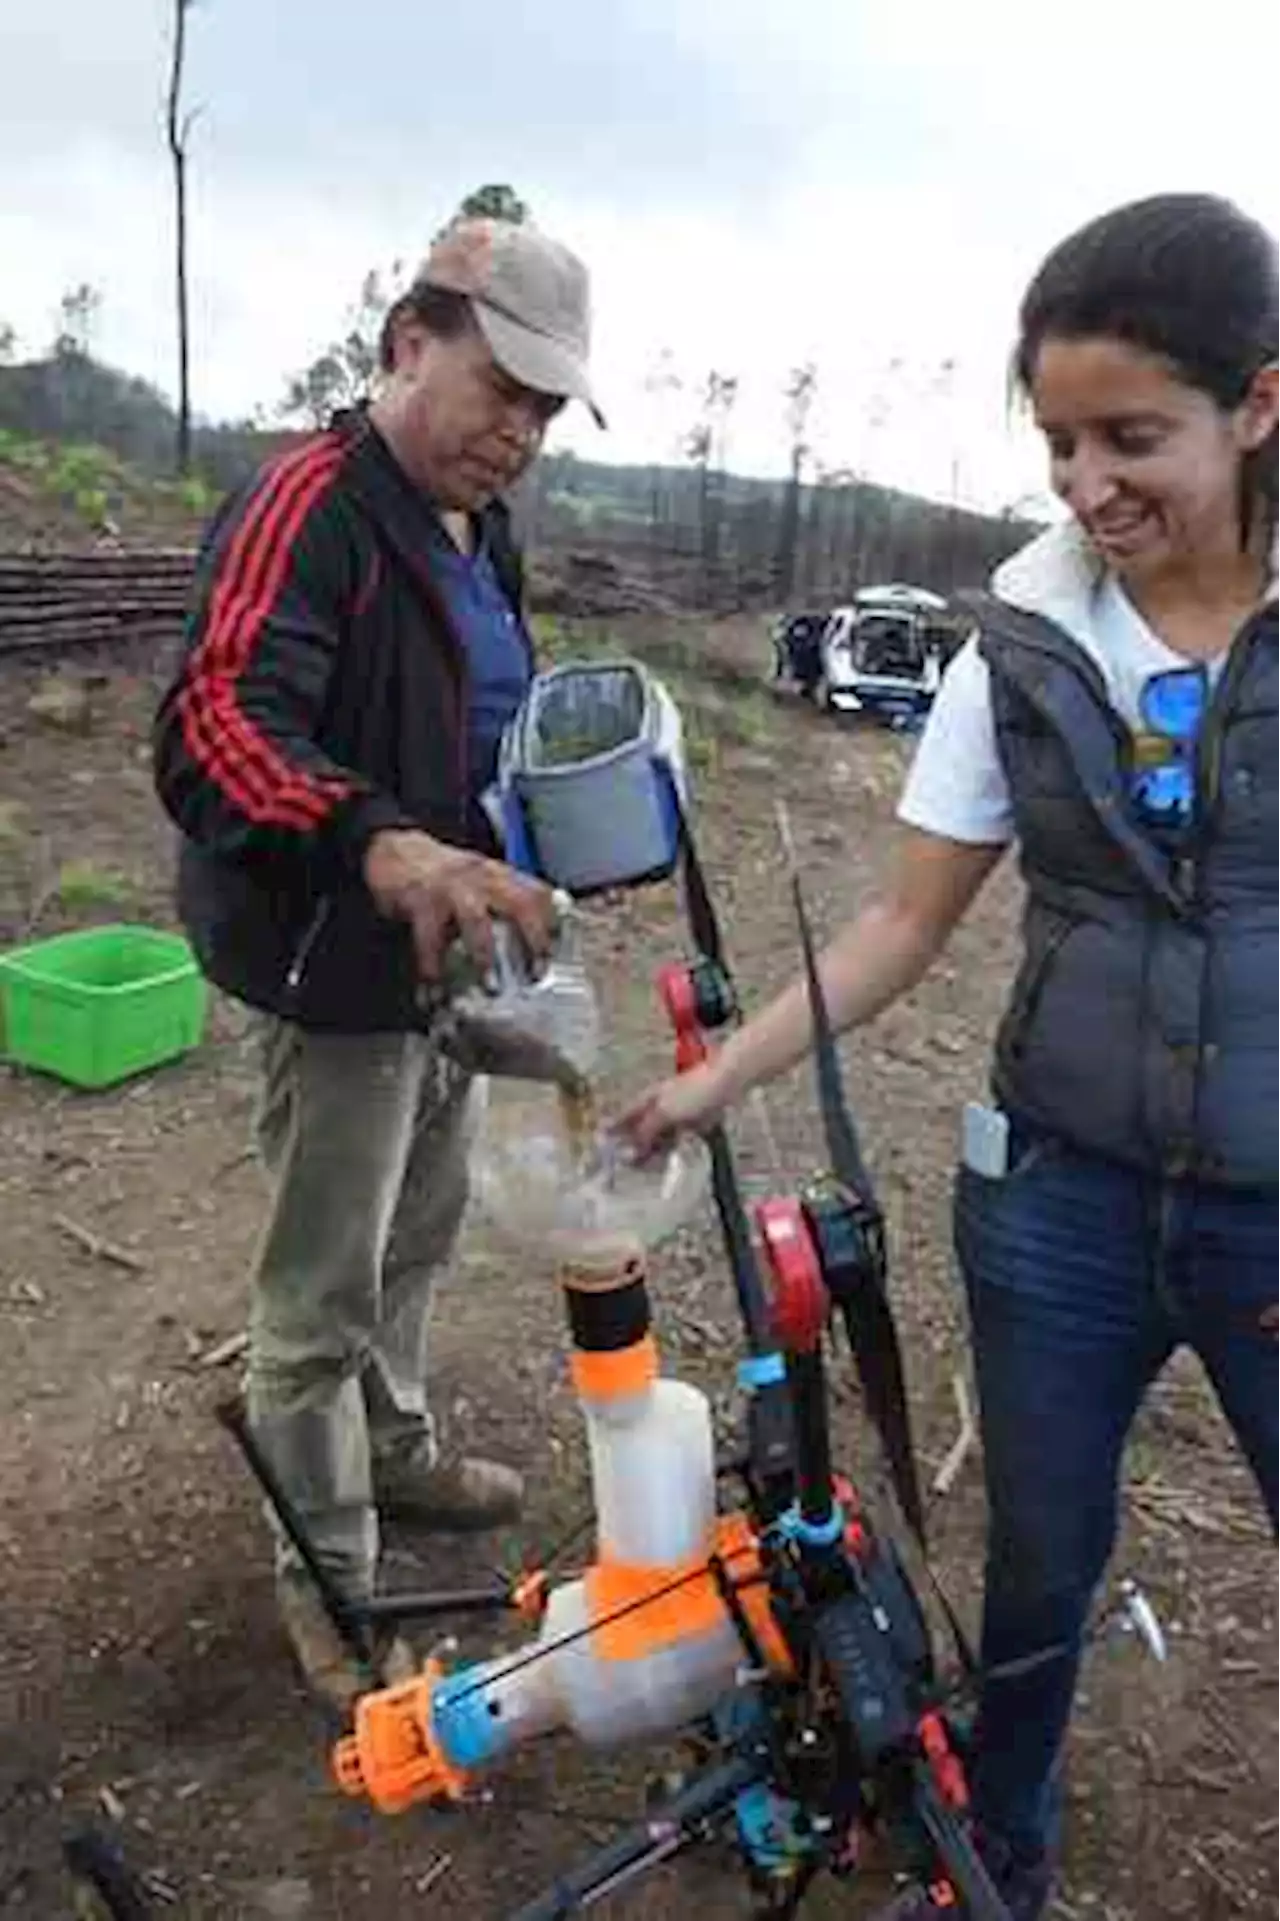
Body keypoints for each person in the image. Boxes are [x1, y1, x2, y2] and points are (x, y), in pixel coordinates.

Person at [621, 192, 1280, 1919]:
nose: (1085, 485)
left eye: (1133, 437)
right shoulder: (1023, 648)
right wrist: (711, 1082)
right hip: (1059, 1206)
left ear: (1260, 405)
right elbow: (901, 928)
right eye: (1060, 443)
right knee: (1042, 1568)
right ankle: (1002, 1854)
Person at [153, 216, 601, 1709]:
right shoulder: (312, 504)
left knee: (422, 1227)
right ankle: (329, 1577)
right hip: (331, 959)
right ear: (410, 342)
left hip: (443, 952)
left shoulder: (484, 525)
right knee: (320, 1293)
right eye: (502, 393)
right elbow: (214, 723)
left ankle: (394, 1457)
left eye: (544, 410)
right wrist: (382, 842)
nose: (519, 434)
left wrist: (525, 829)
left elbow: (475, 705)